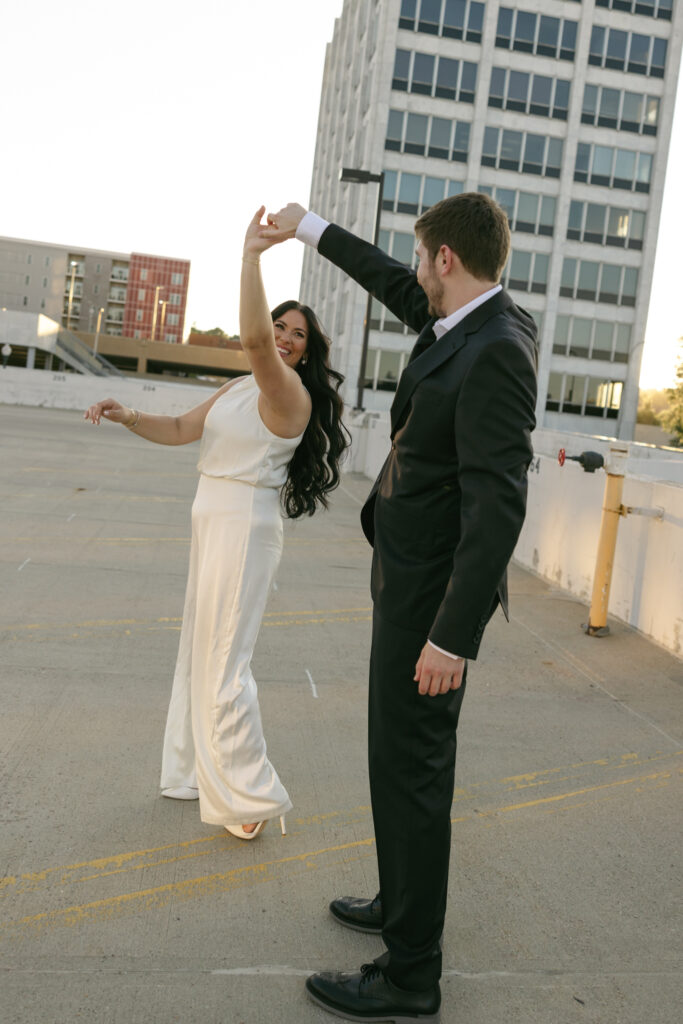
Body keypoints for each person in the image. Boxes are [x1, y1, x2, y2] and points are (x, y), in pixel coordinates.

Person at [261, 194, 538, 1021]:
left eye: (422, 259)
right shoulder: (472, 318)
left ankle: (411, 972)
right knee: (394, 760)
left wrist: (451, 640)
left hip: (432, 603)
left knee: (412, 768)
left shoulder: (494, 349)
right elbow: (385, 276)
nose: (414, 272)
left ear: (446, 259)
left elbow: (498, 505)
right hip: (409, 573)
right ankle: (400, 898)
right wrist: (308, 228)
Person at [84, 208, 349, 841]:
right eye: (280, 327)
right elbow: (179, 430)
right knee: (198, 652)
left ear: (307, 355)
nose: (283, 338)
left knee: (226, 660)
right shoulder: (238, 389)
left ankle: (248, 797)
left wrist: (251, 256)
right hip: (211, 522)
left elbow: (255, 346)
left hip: (245, 529)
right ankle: (196, 771)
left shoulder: (288, 394)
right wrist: (127, 415)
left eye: (297, 336)